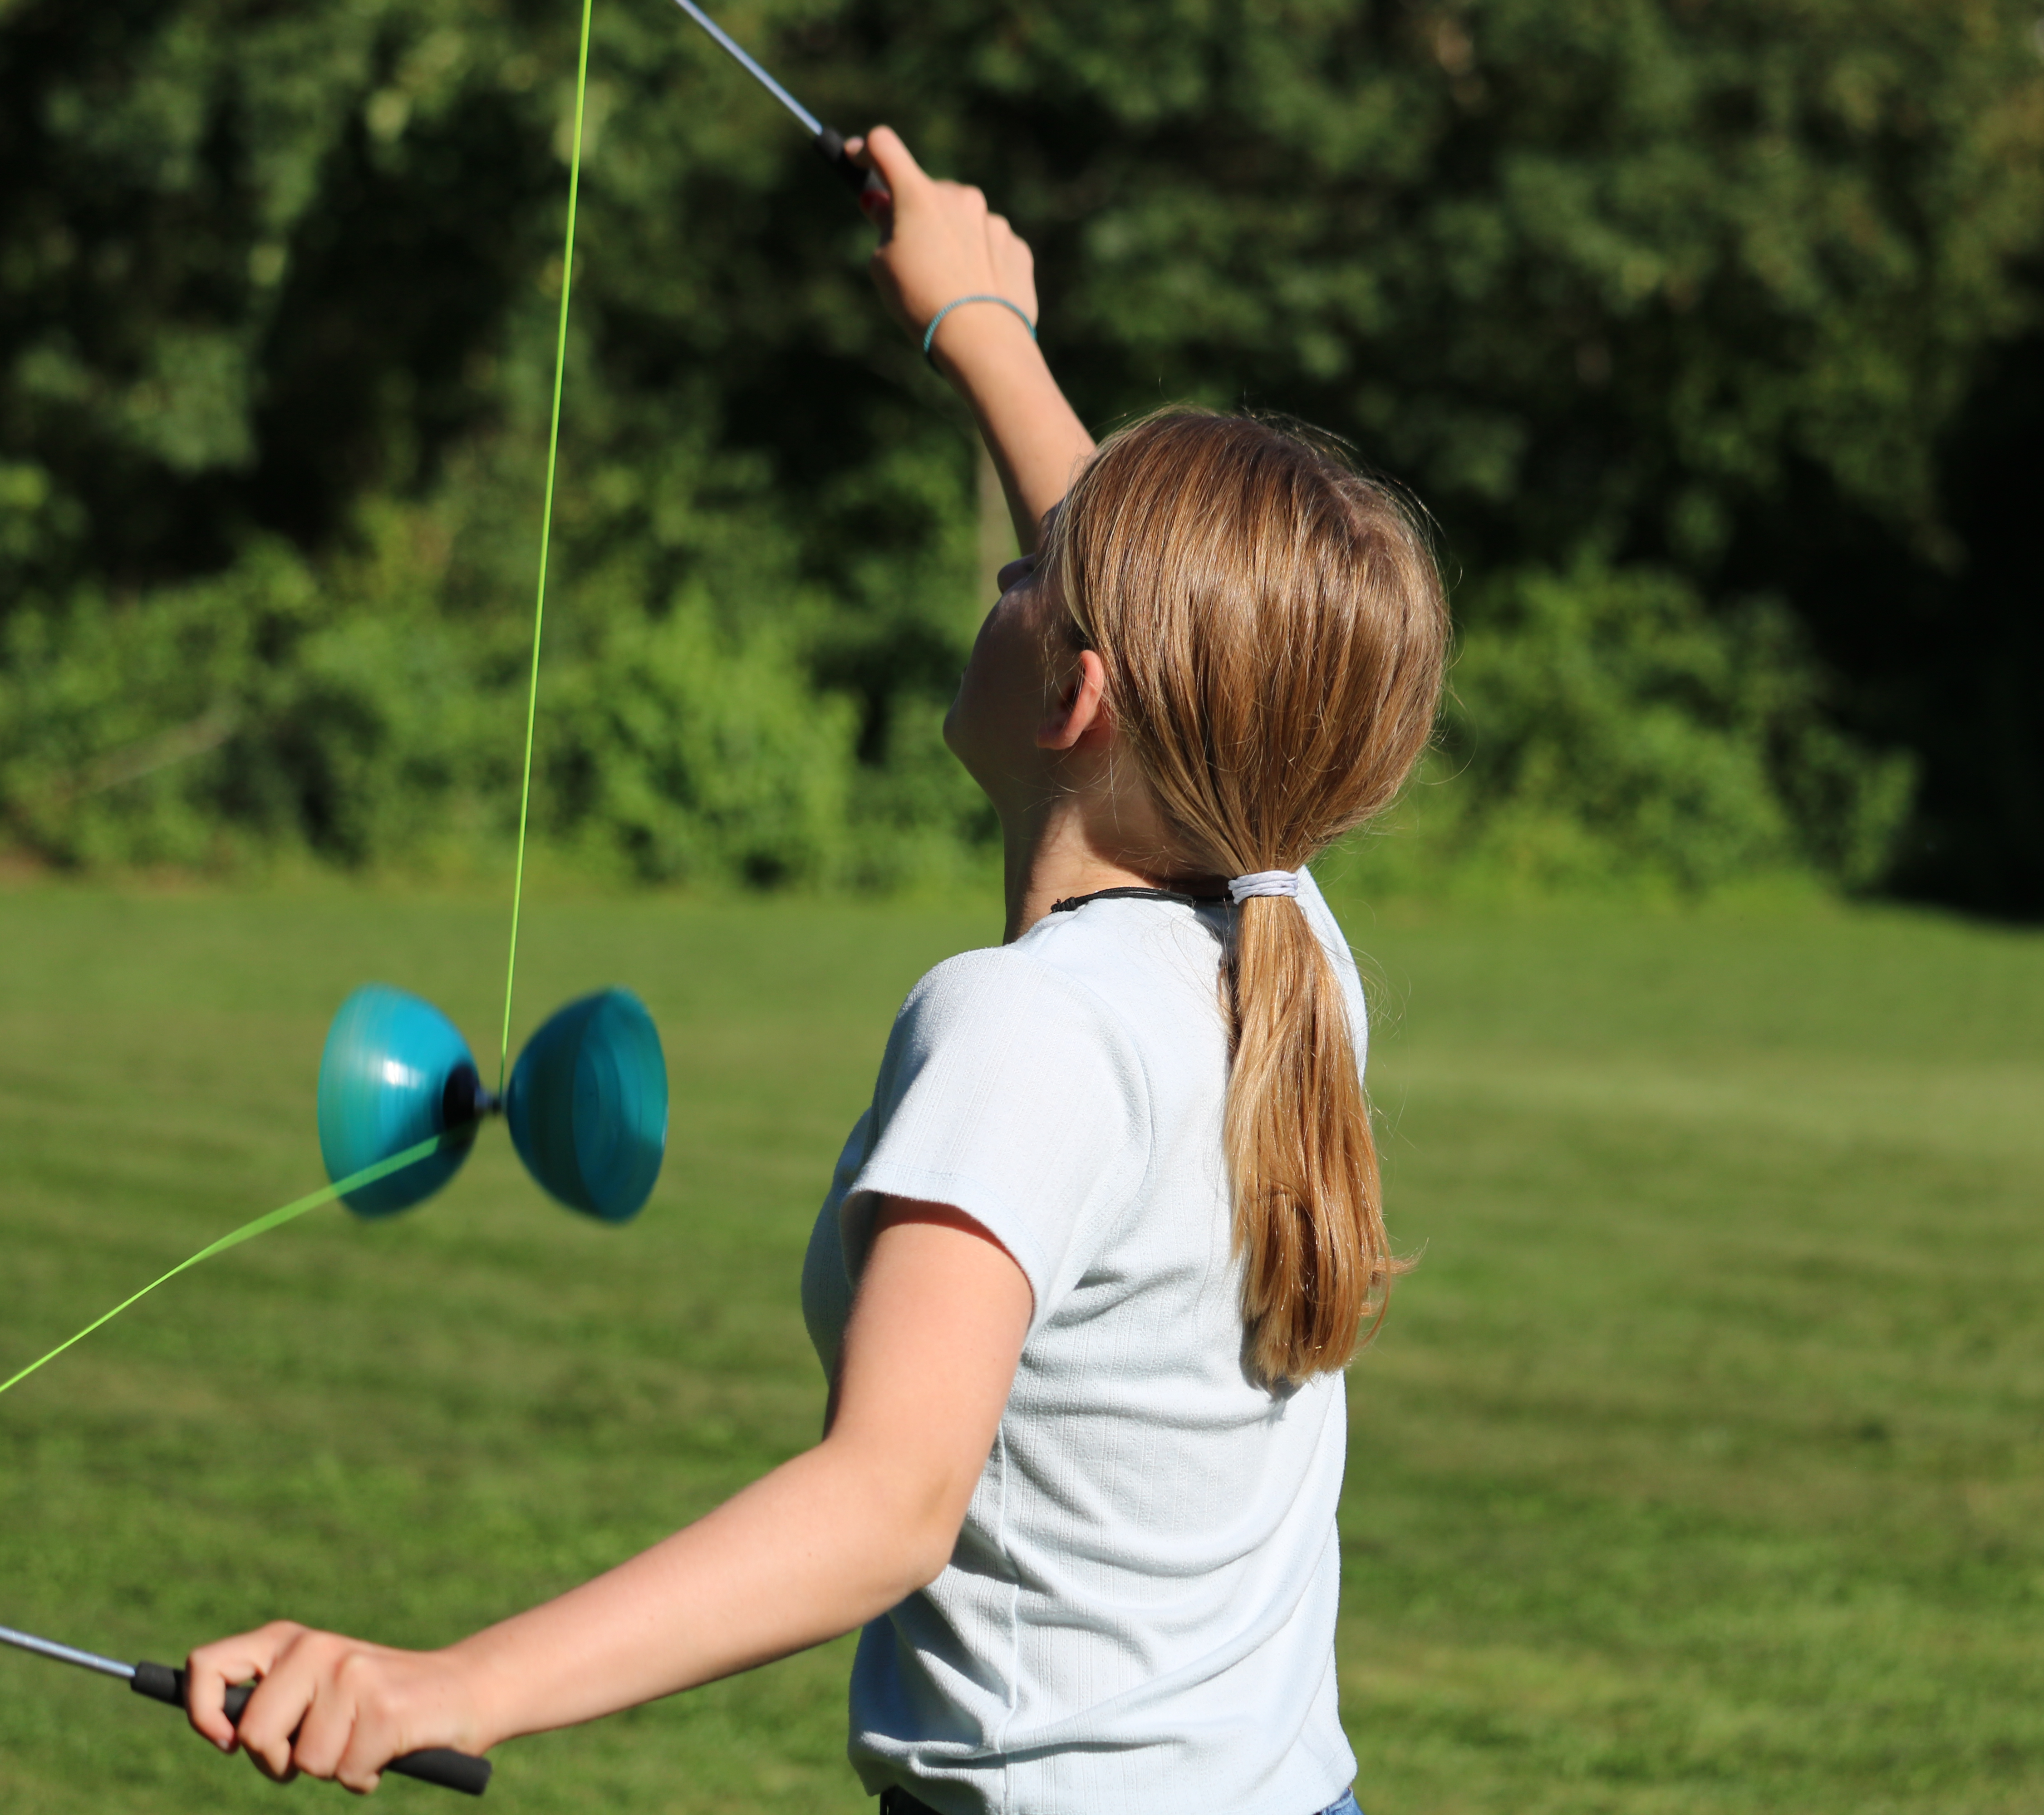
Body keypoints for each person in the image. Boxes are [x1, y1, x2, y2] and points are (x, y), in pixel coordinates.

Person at [183, 124, 1449, 1815]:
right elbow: (1164, 607)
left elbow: (886, 1506)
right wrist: (976, 320)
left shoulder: (1026, 1029)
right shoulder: (1288, 949)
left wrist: (453, 1681)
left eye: (1027, 578)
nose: (1008, 572)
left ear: (1079, 696)